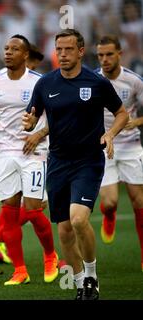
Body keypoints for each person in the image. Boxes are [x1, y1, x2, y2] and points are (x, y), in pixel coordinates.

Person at [22, 29, 129, 300]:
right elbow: (33, 117)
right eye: (59, 50)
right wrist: (30, 125)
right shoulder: (45, 84)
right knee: (65, 230)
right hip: (58, 162)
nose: (63, 54)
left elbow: (121, 113)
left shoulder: (96, 82)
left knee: (79, 219)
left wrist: (110, 133)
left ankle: (92, 275)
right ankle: (82, 284)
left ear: (81, 51)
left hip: (88, 161)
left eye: (69, 49)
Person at [0, 35, 59, 286]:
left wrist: (38, 134)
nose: (8, 52)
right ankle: (20, 271)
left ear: (26, 55)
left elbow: (57, 115)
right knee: (10, 213)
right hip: (5, 153)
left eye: (15, 49)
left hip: (33, 152)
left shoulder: (40, 82)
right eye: (6, 48)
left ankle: (50, 256)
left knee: (34, 211)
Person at [95, 35, 143, 271]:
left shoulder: (134, 81)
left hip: (131, 147)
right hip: (104, 148)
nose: (104, 59)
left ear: (119, 54)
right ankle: (109, 215)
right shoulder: (92, 80)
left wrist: (137, 122)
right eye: (100, 55)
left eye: (109, 54)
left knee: (139, 202)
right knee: (111, 202)